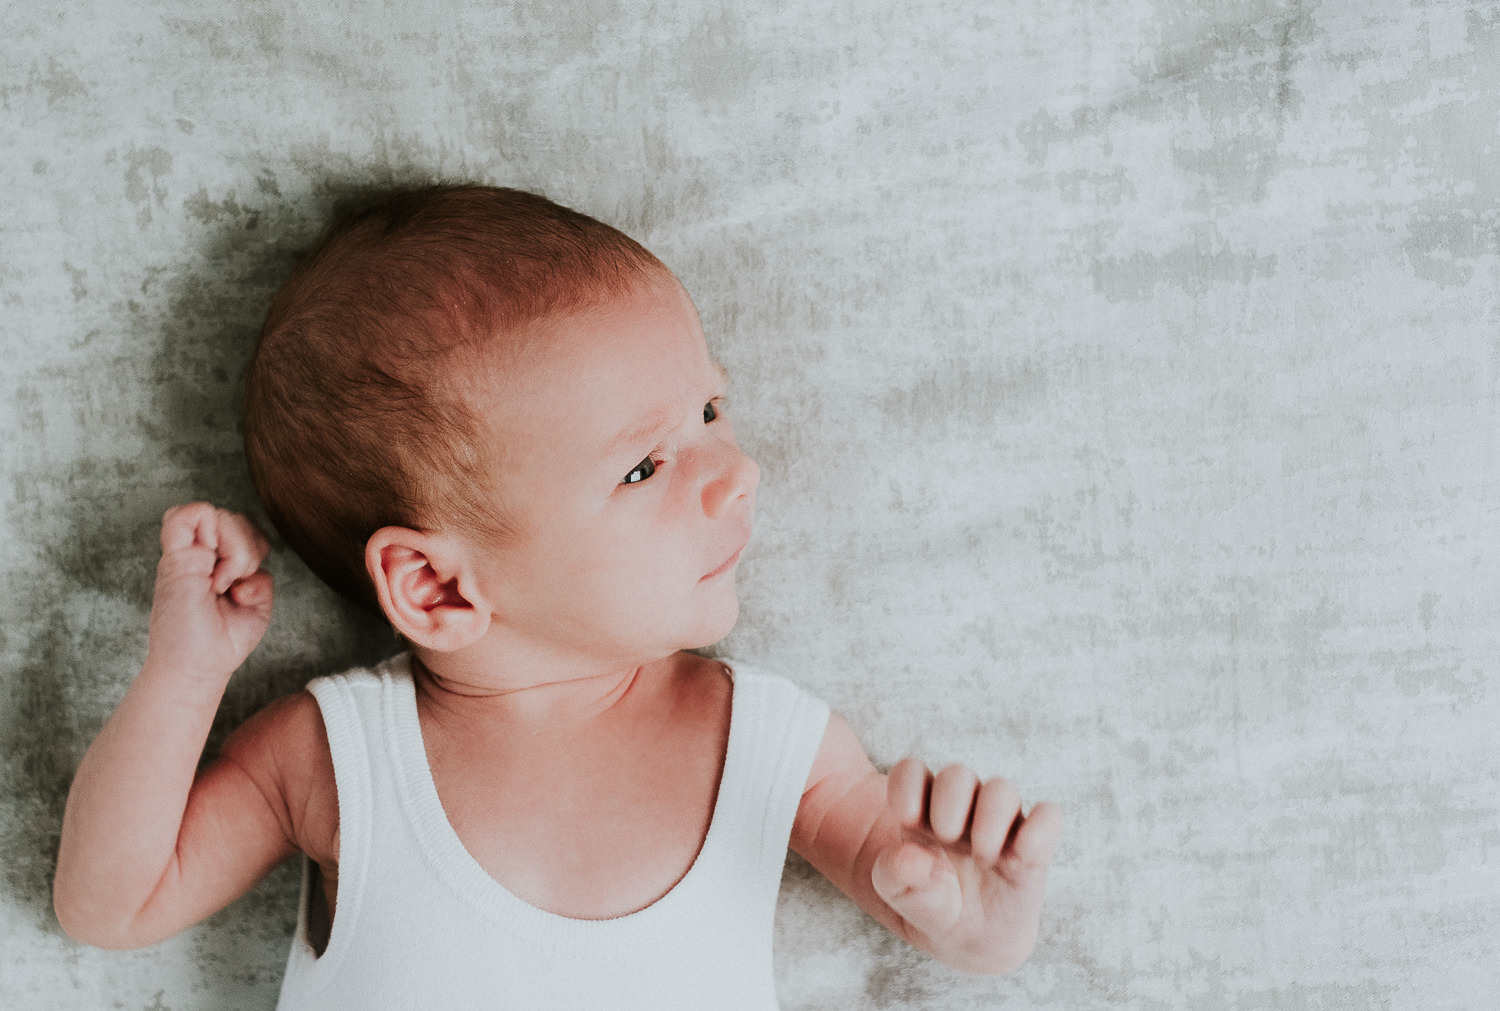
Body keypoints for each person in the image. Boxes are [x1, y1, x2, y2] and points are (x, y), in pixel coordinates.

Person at [53, 185, 1062, 1008]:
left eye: (711, 408)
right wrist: (186, 676)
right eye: (643, 467)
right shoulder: (337, 755)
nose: (736, 471)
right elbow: (111, 904)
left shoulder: (773, 746)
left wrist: (978, 920)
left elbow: (924, 909)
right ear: (440, 587)